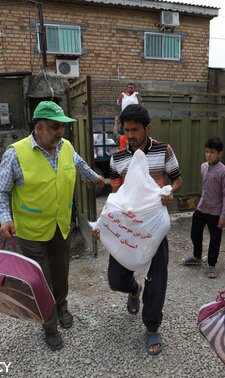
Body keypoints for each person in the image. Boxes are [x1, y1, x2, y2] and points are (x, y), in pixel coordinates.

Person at [0, 101, 105, 351]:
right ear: (39, 128)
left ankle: (62, 306)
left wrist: (96, 178)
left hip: (60, 227)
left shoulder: (65, 147)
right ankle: (49, 325)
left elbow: (79, 164)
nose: (60, 132)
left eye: (62, 127)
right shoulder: (16, 153)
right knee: (40, 281)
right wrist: (5, 218)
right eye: (55, 127)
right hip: (31, 233)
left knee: (60, 274)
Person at [94, 104, 182, 356]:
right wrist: (103, 224)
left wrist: (170, 192)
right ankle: (133, 289)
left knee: (157, 281)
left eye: (135, 130)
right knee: (116, 279)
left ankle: (152, 326)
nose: (130, 135)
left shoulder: (164, 150)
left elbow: (177, 178)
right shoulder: (117, 158)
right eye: (126, 130)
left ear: (147, 128)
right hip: (127, 227)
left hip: (154, 229)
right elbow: (115, 195)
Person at [183, 137, 225, 279]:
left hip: (216, 211)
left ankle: (212, 264)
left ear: (220, 154)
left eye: (212, 152)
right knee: (195, 233)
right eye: (207, 151)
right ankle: (197, 257)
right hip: (201, 208)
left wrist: (224, 216)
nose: (209, 155)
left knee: (215, 239)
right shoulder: (203, 166)